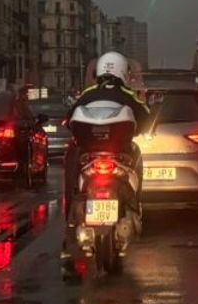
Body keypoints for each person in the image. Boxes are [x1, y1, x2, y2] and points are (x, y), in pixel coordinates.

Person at [60, 52, 150, 267]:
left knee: (72, 160)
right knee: (137, 154)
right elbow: (145, 117)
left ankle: (72, 204)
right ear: (122, 72)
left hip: (88, 157)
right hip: (120, 156)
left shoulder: (88, 93)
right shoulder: (128, 94)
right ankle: (136, 204)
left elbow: (69, 118)